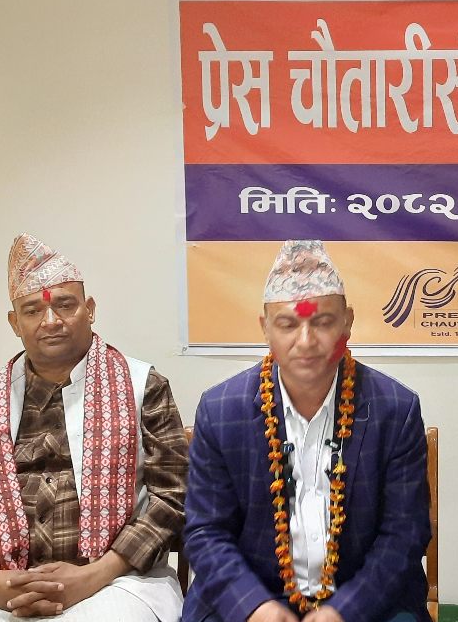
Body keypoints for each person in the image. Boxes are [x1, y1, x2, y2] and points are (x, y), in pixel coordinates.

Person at [0, 233, 188, 621]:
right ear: (14, 323)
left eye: (65, 305)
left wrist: (93, 575)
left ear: (89, 309)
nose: (51, 321)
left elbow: (173, 499)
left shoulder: (143, 386)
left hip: (117, 578)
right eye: (32, 311)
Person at [183, 240, 432, 622]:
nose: (306, 341)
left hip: (367, 602)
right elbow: (206, 532)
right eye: (288, 324)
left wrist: (343, 612)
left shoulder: (394, 410)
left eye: (322, 322)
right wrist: (255, 608)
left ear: (347, 322)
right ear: (266, 328)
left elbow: (405, 535)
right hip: (250, 599)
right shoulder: (220, 410)